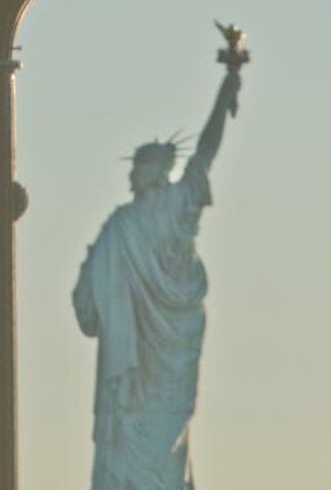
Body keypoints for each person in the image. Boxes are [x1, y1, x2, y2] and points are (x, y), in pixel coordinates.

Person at [72, 61, 244, 490]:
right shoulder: (121, 227)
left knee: (157, 447)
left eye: (138, 167)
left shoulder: (150, 215)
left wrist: (225, 92)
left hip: (161, 360)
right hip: (144, 366)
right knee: (145, 447)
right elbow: (88, 308)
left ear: (153, 170)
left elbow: (206, 150)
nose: (131, 174)